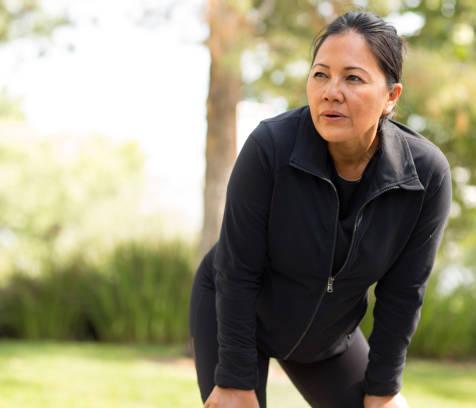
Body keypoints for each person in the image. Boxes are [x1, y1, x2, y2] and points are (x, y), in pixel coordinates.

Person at [189, 11, 452, 408]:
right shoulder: (270, 148)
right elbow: (237, 270)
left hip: (329, 338)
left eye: (353, 78)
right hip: (235, 312)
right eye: (320, 74)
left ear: (390, 97)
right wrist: (234, 379)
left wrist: (383, 390)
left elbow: (403, 294)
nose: (331, 91)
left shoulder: (425, 176)